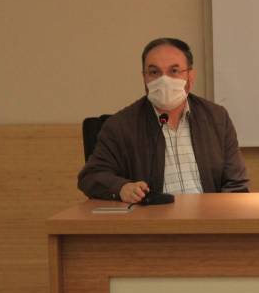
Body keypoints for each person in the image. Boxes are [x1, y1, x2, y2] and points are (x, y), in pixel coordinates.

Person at [78, 37, 249, 202]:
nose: (164, 80)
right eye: (154, 72)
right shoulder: (121, 126)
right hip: (152, 219)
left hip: (208, 217)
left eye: (174, 71)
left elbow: (236, 184)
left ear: (190, 76)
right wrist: (122, 188)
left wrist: (222, 216)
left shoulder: (216, 118)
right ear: (144, 77)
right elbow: (90, 176)